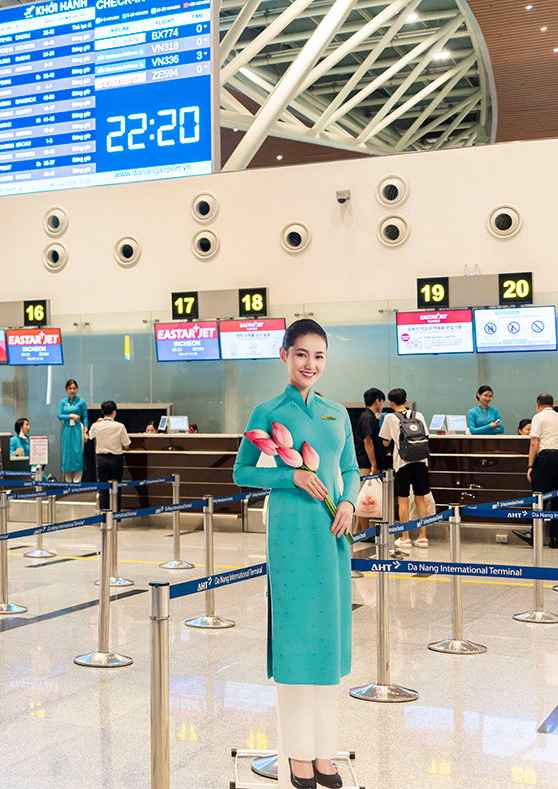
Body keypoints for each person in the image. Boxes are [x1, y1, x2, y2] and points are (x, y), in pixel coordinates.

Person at [232, 319, 356, 789]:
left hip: (331, 532)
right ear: (284, 355)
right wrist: (292, 477)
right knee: (296, 637)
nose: (310, 364)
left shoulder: (336, 413)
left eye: (319, 356)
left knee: (328, 640)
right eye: (301, 354)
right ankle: (299, 754)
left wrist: (348, 502)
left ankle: (325, 752)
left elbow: (350, 469)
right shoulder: (267, 411)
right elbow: (242, 472)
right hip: (290, 533)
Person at [378, 388, 432, 549]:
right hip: (421, 461)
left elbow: (385, 442)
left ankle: (405, 537)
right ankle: (423, 537)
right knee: (420, 499)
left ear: (391, 403)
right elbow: (426, 435)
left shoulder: (390, 417)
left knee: (403, 500)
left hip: (402, 463)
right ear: (406, 401)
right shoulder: (418, 415)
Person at [528, 393, 558, 548]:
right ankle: (555, 538)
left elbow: (534, 443)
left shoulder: (538, 417)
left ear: (537, 405)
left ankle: (535, 536)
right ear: (553, 406)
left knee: (539, 496)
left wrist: (530, 466)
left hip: (548, 457)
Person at [354, 388, 389, 536]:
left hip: (367, 463)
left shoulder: (370, 417)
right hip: (366, 464)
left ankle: (358, 530)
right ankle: (365, 533)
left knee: (364, 497)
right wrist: (373, 464)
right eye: (382, 401)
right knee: (365, 500)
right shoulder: (368, 417)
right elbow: (368, 442)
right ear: (377, 400)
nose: (382, 405)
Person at [89, 400, 131, 511]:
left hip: (101, 459)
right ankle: (116, 516)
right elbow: (127, 445)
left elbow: (90, 436)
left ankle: (104, 516)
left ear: (102, 412)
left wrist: (97, 422)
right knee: (116, 489)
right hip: (116, 460)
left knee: (103, 490)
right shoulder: (120, 426)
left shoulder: (96, 426)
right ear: (114, 412)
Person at [57, 379, 87, 482]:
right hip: (67, 429)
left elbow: (85, 417)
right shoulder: (63, 402)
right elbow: (59, 416)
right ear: (66, 389)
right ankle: (68, 483)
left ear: (77, 389)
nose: (72, 390)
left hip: (78, 429)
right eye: (70, 388)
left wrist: (85, 432)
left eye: (74, 388)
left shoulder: (81, 402)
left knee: (77, 453)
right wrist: (71, 415)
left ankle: (77, 483)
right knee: (67, 453)